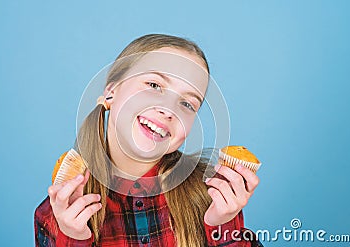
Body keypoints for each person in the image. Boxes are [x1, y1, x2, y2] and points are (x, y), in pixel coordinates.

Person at [34, 34, 262, 247]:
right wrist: (74, 238)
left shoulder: (211, 196)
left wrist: (222, 225)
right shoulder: (60, 210)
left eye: (187, 104)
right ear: (111, 91)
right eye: (154, 85)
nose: (168, 109)